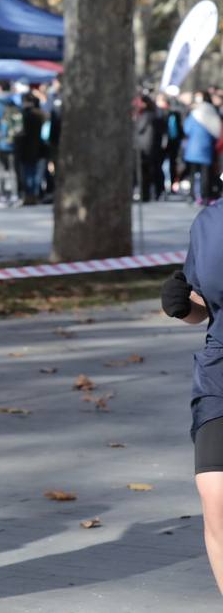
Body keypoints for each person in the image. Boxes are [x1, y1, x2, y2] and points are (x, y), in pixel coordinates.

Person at [162, 205, 223, 595]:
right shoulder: (209, 222)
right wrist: (184, 305)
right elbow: (202, 305)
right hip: (220, 371)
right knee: (215, 494)